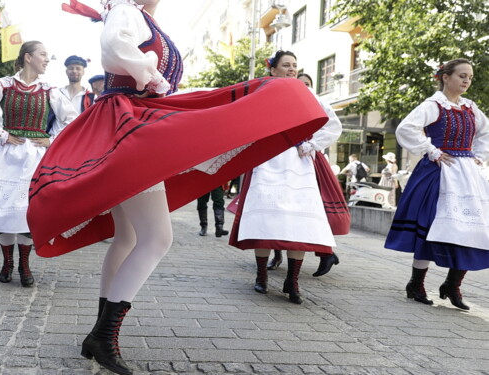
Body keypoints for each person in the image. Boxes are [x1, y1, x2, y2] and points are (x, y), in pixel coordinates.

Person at [29, 3, 328, 374]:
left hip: (132, 125)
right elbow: (112, 47)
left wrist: (158, 79)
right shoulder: (126, 10)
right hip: (129, 129)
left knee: (127, 238)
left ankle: (98, 333)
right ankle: (103, 336)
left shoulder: (147, 19)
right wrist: (147, 72)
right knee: (157, 238)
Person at [228, 50, 344, 305]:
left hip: (299, 163)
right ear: (273, 69)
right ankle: (261, 275)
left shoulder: (308, 94)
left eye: (294, 65)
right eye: (286, 65)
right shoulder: (263, 92)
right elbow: (246, 122)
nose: (292, 69)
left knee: (298, 223)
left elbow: (333, 125)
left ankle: (292, 279)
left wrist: (312, 144)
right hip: (267, 162)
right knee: (266, 219)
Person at [0, 41, 77, 287]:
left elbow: (71, 119)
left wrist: (52, 139)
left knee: (26, 211)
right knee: (6, 210)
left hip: (33, 156)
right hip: (6, 153)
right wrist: (0, 133)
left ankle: (24, 264)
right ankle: (7, 262)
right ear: (28, 57)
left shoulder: (49, 88)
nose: (47, 59)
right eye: (43, 54)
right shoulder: (4, 84)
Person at [385, 58, 489, 311]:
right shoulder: (433, 105)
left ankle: (453, 284)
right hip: (439, 171)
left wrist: (479, 156)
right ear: (445, 77)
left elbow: (485, 134)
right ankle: (416, 283)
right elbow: (406, 129)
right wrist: (430, 150)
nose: (466, 81)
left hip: (467, 174)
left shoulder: (470, 108)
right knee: (431, 226)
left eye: (470, 77)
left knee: (470, 227)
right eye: (461, 75)